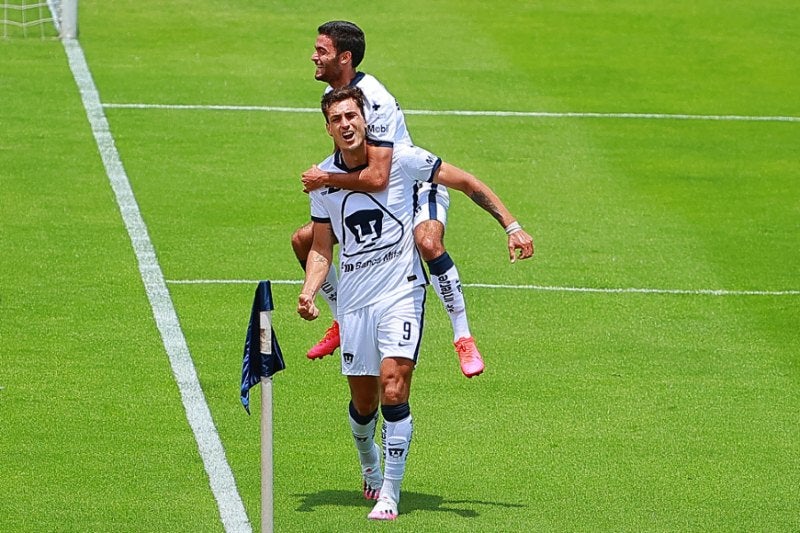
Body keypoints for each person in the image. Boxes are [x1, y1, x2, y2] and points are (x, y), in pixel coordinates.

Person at [297, 86, 531, 521]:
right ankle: (368, 459)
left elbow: (466, 182)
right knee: (364, 406)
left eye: (352, 116)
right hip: (354, 301)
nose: (346, 125)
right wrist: (310, 290)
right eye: (337, 119)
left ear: (365, 119)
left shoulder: (402, 161)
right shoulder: (323, 182)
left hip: (401, 292)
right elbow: (321, 247)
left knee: (393, 387)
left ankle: (391, 492)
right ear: (327, 127)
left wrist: (511, 225)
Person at [293, 20, 533, 378]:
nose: (314, 57)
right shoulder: (340, 98)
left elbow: (378, 176)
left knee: (428, 242)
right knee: (305, 241)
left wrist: (324, 179)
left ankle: (463, 336)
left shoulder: (374, 98)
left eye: (321, 51)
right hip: (376, 191)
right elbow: (352, 159)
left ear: (344, 57)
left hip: (413, 183)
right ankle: (343, 319)